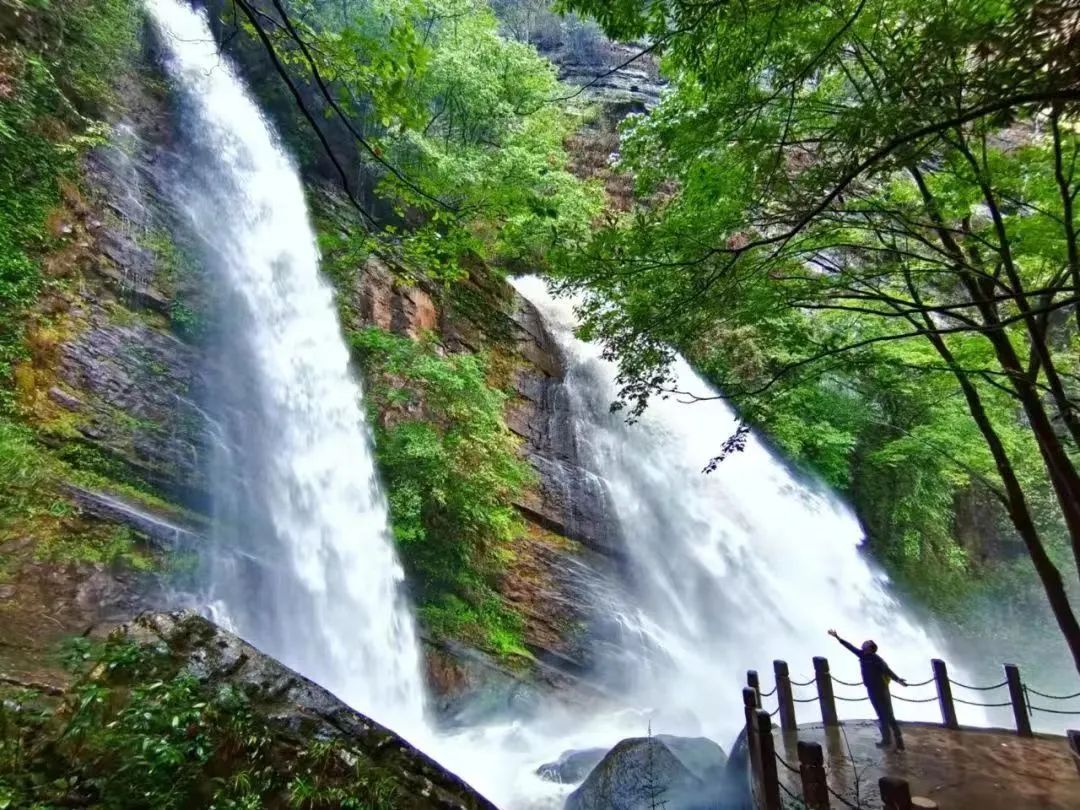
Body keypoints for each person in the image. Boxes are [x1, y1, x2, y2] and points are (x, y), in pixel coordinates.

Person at [828, 628, 908, 750]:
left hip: (882, 690)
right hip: (871, 689)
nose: (863, 643)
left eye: (866, 643)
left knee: (889, 715)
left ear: (870, 648)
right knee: (881, 715)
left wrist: (898, 680)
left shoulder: (877, 660)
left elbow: (888, 671)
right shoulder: (862, 655)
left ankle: (899, 740)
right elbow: (850, 647)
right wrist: (837, 637)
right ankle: (886, 740)